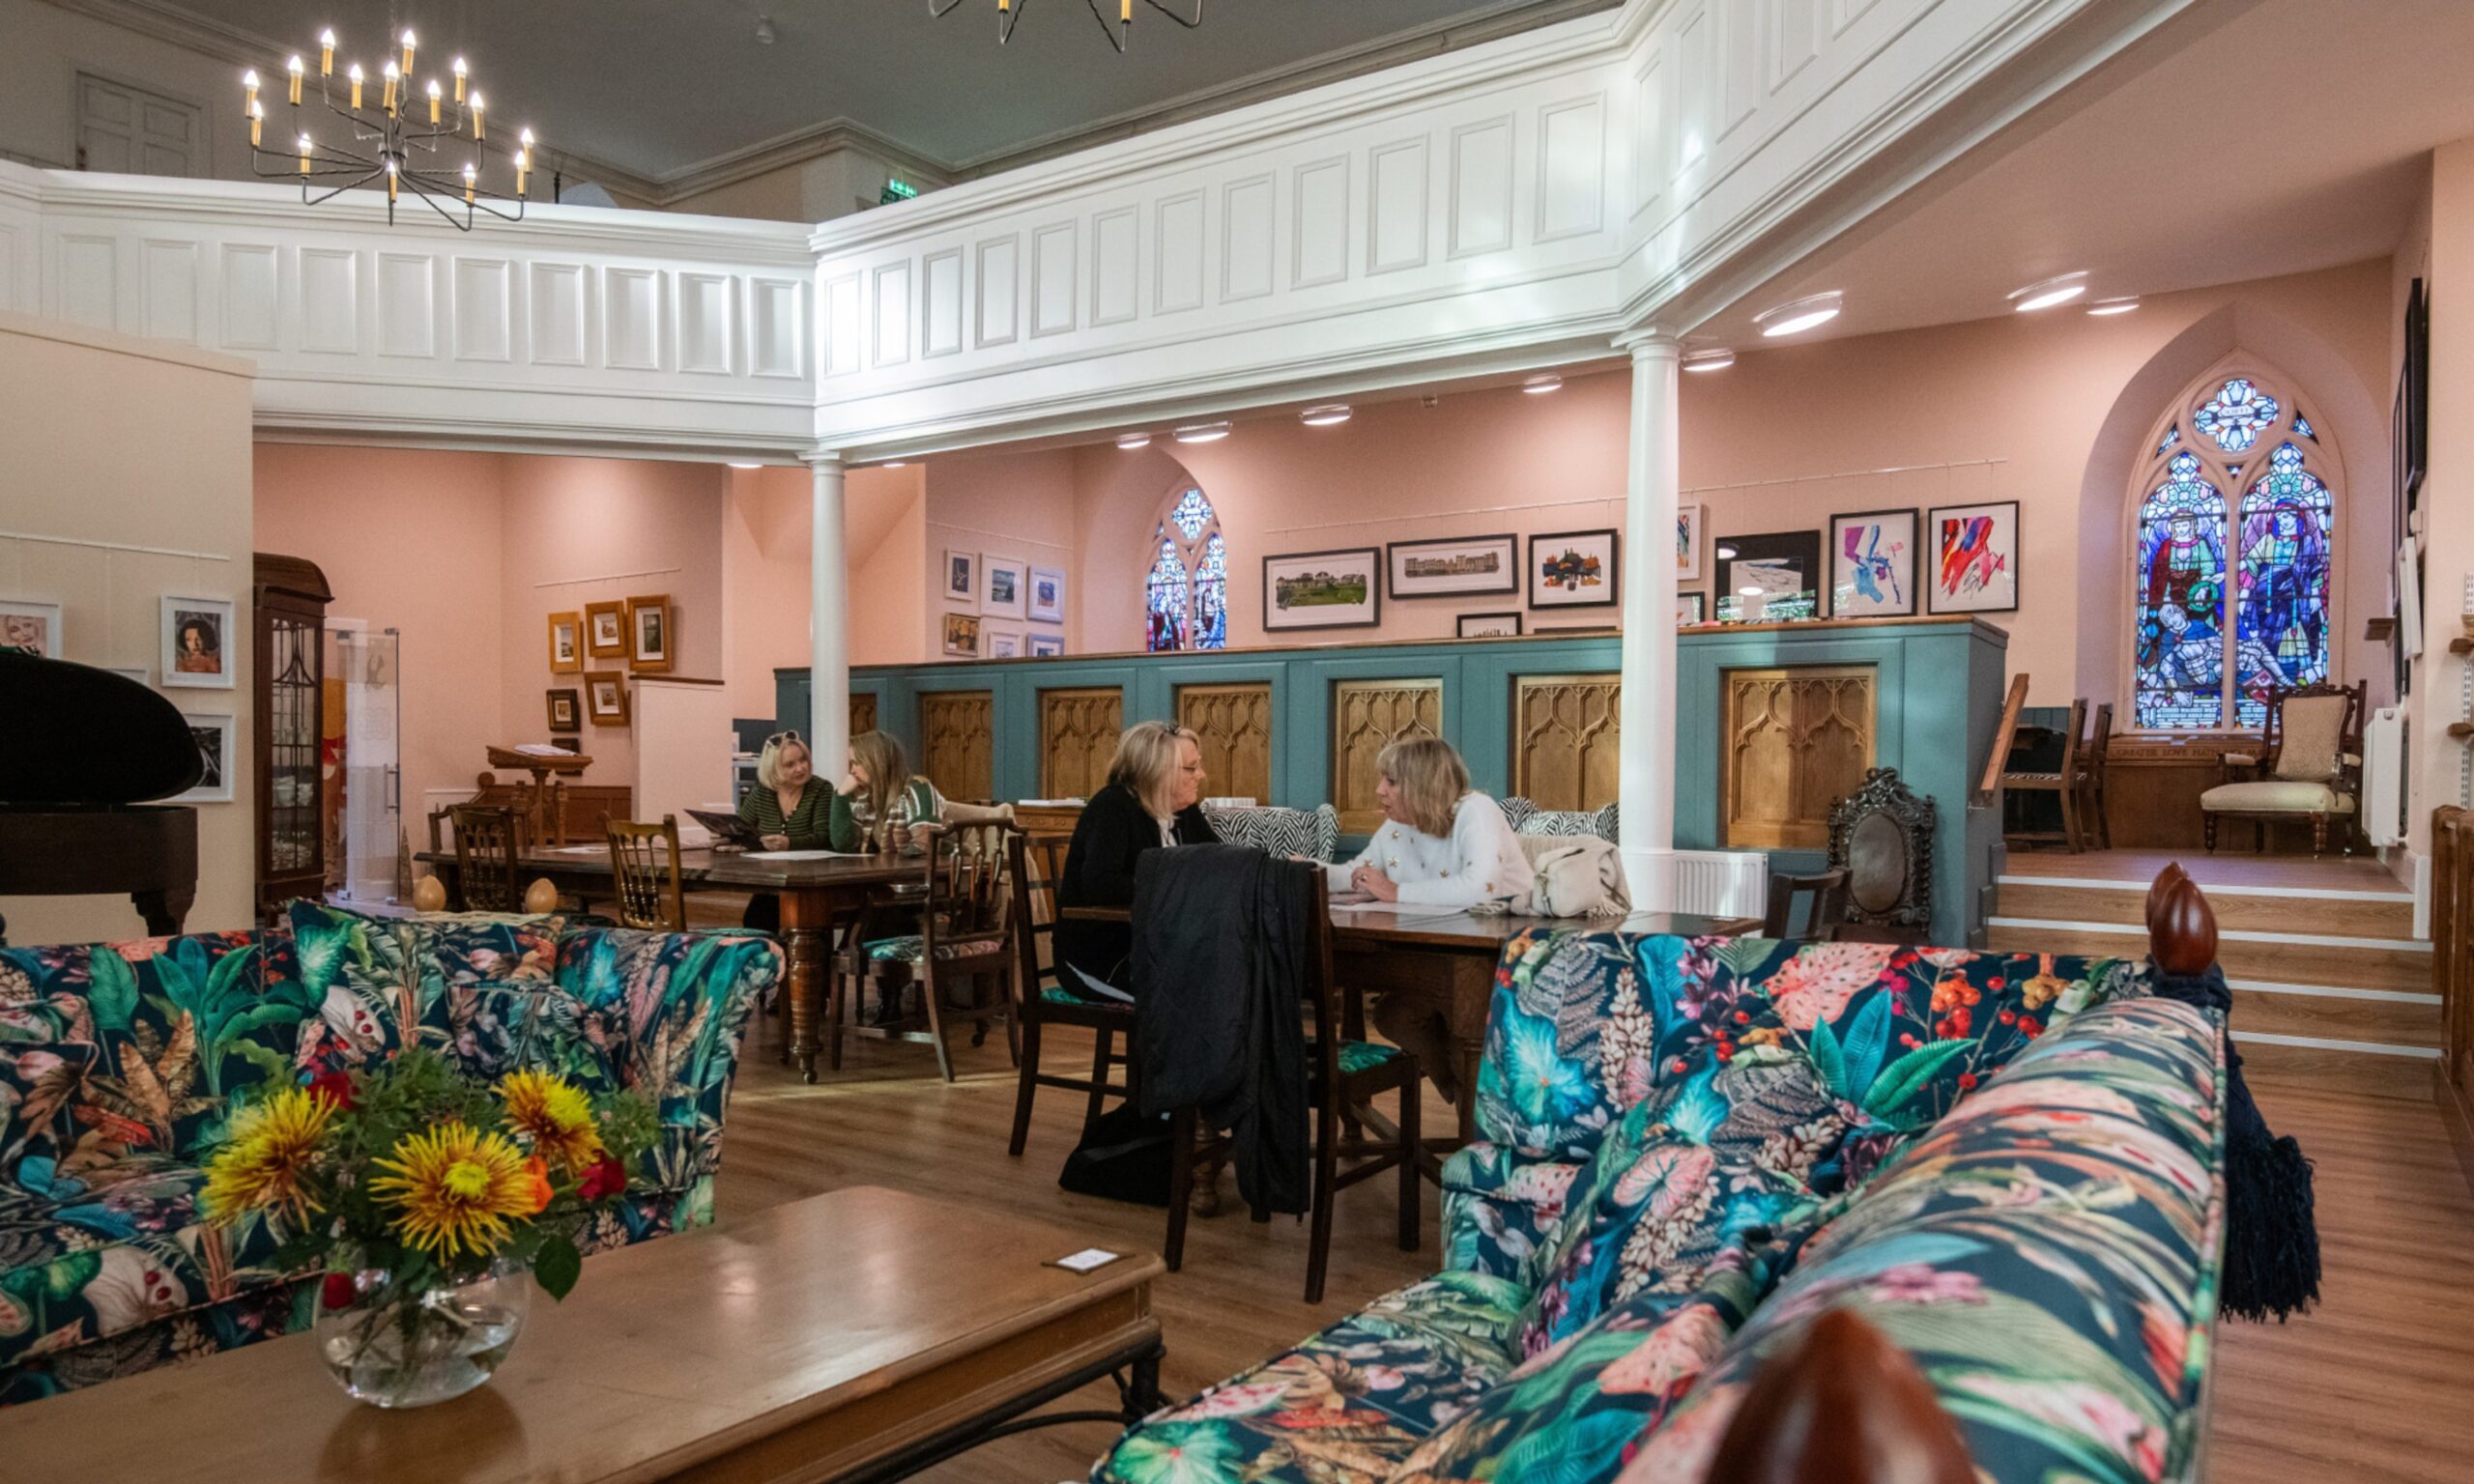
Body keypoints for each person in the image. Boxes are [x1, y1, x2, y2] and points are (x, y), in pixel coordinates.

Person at [1327, 736, 1531, 1104]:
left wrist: (1395, 892)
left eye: (1391, 781)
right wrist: (1301, 873)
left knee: (1457, 1022)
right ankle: (1463, 1096)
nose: (1379, 790)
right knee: (1392, 1014)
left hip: (1509, 963)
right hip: (1442, 956)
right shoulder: (1397, 828)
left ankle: (1475, 1114)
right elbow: (1357, 872)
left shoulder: (1476, 810)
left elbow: (1479, 890)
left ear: (1422, 783)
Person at [1053, 721, 1214, 997]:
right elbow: (1101, 886)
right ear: (1157, 771)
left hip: (1158, 947)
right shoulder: (1112, 807)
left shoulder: (1185, 811)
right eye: (1191, 767)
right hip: (1101, 955)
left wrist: (1272, 866)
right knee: (1197, 992)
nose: (1201, 775)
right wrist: (1176, 885)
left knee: (1233, 974)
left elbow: (1219, 862)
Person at [734, 729, 832, 933]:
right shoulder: (763, 791)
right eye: (790, 765)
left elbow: (825, 838)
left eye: (803, 760)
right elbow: (742, 827)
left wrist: (790, 843)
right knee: (755, 920)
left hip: (810, 880)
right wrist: (730, 839)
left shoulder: (821, 789)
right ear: (773, 769)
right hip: (772, 879)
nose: (800, 768)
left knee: (781, 920)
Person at [830, 730, 943, 852]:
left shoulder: (918, 789)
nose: (852, 771)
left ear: (876, 762)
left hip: (916, 869)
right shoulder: (864, 796)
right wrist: (841, 795)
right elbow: (843, 845)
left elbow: (925, 845)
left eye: (856, 763)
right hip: (884, 869)